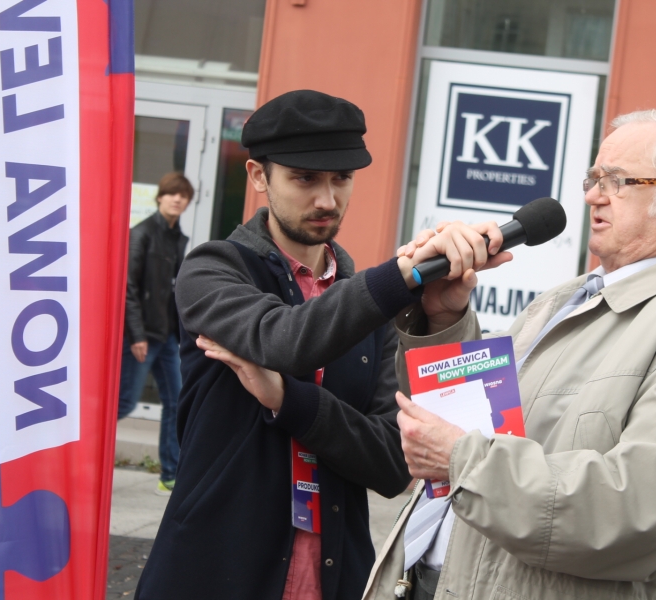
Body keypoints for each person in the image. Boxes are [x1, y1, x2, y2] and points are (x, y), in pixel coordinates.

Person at [363, 109, 656, 600]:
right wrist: (443, 318)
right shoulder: (562, 300)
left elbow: (637, 515)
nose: (593, 195)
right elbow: (477, 424)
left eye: (617, 181)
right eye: (594, 179)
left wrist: (462, 461)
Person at [134, 90, 506, 600]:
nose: (327, 200)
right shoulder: (214, 269)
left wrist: (288, 399)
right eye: (305, 178)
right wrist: (401, 276)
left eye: (341, 178)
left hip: (333, 577)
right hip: (214, 571)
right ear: (259, 176)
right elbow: (284, 339)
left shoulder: (365, 305)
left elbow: (391, 465)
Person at [119, 172, 192, 495]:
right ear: (160, 197)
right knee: (124, 403)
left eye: (183, 195)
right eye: (172, 193)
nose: (177, 199)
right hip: (142, 336)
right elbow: (128, 288)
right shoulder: (142, 234)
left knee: (177, 402)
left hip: (166, 337)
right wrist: (136, 335)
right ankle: (82, 454)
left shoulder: (178, 239)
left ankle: (170, 475)